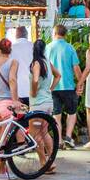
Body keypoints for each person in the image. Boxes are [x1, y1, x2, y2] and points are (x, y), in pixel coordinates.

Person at [0, 38, 24, 180]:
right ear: (10, 51)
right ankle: (1, 172)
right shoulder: (13, 62)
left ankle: (1, 171)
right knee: (5, 140)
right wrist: (15, 101)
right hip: (7, 105)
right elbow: (12, 80)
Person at [46, 23, 83, 147]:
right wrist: (80, 83)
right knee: (71, 112)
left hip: (52, 87)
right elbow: (76, 68)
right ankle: (68, 136)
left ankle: (59, 141)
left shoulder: (48, 48)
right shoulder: (70, 48)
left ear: (54, 33)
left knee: (56, 114)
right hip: (68, 86)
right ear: (65, 34)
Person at [27, 39, 59, 172]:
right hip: (48, 103)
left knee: (35, 135)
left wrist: (34, 92)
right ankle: (51, 160)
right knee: (45, 132)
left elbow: (35, 80)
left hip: (37, 104)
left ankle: (44, 163)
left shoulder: (36, 63)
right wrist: (50, 89)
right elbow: (58, 76)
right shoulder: (47, 62)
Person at [9, 25, 33, 106]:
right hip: (34, 89)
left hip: (18, 90)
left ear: (16, 36)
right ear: (27, 35)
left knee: (19, 117)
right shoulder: (34, 47)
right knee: (34, 116)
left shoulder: (11, 48)